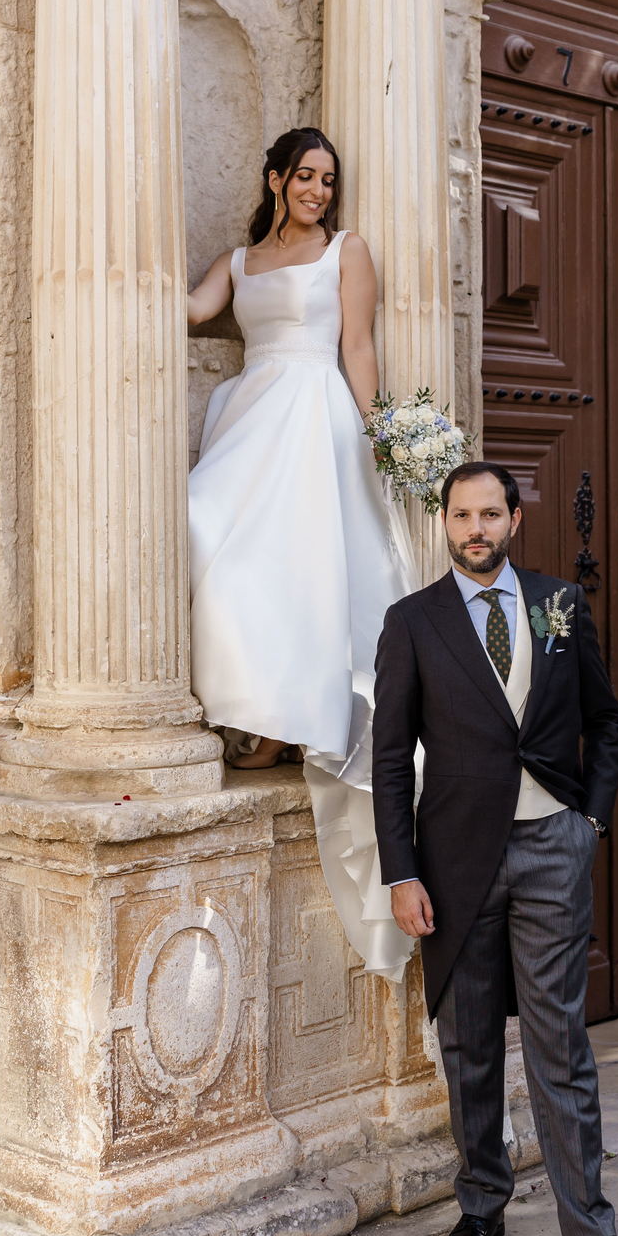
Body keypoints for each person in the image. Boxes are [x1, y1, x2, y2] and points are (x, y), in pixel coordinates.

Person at [372, 461, 618, 1236]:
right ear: (444, 523)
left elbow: (606, 721)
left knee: (559, 1046)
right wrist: (402, 872)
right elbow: (390, 760)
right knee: (468, 1045)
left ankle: (590, 1235)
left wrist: (588, 825)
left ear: (515, 520)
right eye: (462, 515)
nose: (477, 529)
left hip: (551, 850)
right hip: (454, 863)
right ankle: (481, 1205)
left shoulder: (559, 604)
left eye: (490, 514)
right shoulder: (412, 622)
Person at [187, 127, 416, 980]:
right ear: (275, 179)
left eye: (328, 179)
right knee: (205, 533)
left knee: (311, 575)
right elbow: (194, 311)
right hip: (252, 418)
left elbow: (357, 346)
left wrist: (380, 434)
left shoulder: (346, 252)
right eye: (306, 177)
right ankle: (266, 714)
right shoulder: (239, 261)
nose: (318, 190)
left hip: (317, 420)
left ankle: (290, 727)